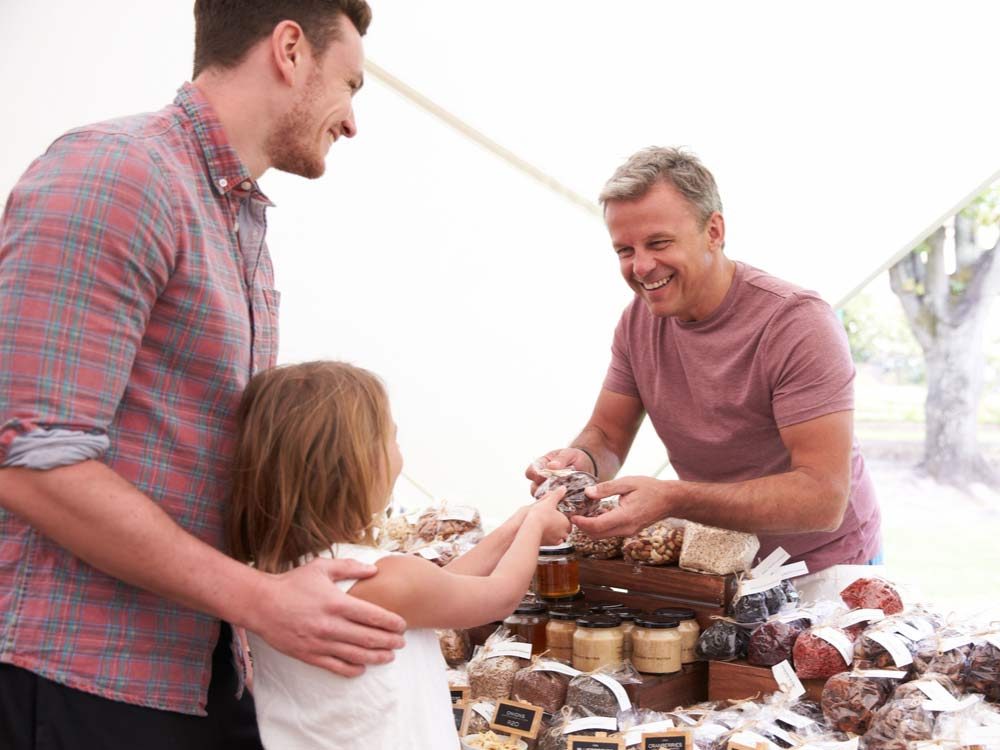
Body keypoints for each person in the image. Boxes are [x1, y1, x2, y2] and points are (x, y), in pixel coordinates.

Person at [0, 2, 408, 748]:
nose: (351, 121)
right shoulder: (116, 174)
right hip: (80, 677)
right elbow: (29, 459)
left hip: (198, 666)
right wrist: (260, 598)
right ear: (290, 49)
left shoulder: (236, 219)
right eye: (350, 85)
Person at [526, 146, 881, 573]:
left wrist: (675, 498)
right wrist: (579, 462)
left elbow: (822, 499)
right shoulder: (637, 322)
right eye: (624, 250)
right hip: (718, 562)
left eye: (658, 243)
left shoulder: (795, 322)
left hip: (823, 568)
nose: (640, 266)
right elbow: (606, 433)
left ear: (714, 231)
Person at [227, 360, 571, 748]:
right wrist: (537, 526)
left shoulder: (273, 577)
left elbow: (446, 584)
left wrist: (515, 525)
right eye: (392, 439)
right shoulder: (392, 579)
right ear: (359, 464)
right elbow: (499, 595)